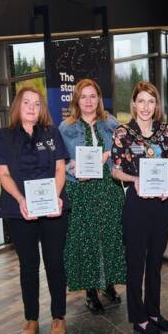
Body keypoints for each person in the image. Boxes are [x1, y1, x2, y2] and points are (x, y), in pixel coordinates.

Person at [0, 87, 69, 334]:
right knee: (28, 267)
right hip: (19, 210)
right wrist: (22, 199)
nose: (32, 107)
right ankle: (32, 319)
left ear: (42, 108)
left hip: (53, 209)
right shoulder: (3, 136)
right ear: (18, 106)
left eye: (37, 103)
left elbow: (60, 169)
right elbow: (3, 174)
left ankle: (59, 316)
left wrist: (55, 197)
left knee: (55, 263)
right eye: (26, 102)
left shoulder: (52, 133)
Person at [112, 81, 168, 334]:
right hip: (137, 204)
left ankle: (153, 312)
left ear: (156, 105)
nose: (146, 107)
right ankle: (138, 317)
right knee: (136, 262)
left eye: (151, 102)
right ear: (134, 104)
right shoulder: (123, 132)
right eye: (141, 101)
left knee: (155, 262)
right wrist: (134, 180)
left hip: (162, 203)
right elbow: (116, 170)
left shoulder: (167, 131)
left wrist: (167, 179)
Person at [59, 78, 126, 314]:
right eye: (84, 96)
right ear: (77, 99)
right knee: (86, 240)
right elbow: (60, 162)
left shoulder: (111, 123)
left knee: (110, 236)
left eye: (93, 96)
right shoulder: (66, 128)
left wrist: (109, 154)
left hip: (108, 189)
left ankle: (108, 284)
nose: (88, 101)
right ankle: (90, 290)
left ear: (99, 98)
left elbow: (124, 150)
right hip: (81, 191)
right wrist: (72, 168)